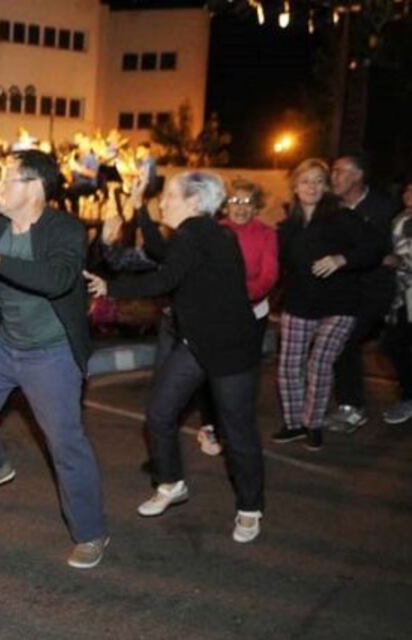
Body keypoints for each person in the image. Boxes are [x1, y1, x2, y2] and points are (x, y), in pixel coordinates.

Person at [85, 171, 266, 543]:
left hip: (230, 348)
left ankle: (250, 507)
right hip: (196, 342)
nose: (163, 201)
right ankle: (171, 483)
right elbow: (160, 253)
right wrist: (140, 209)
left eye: (169, 195)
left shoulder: (198, 234)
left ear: (194, 202)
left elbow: (163, 279)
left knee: (237, 430)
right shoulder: (202, 233)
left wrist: (110, 287)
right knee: (160, 413)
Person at [0, 150, 109, 568]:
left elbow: (57, 279)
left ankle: (91, 533)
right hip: (6, 347)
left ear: (35, 187)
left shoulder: (65, 229)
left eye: (6, 178)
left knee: (66, 444)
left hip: (52, 354)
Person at [272, 159, 382, 451]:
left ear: (326, 187)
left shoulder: (342, 217)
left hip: (340, 305)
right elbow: (278, 266)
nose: (312, 187)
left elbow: (375, 247)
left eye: (318, 181)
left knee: (320, 363)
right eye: (306, 181)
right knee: (288, 366)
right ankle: (294, 423)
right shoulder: (288, 226)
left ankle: (313, 424)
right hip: (299, 303)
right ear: (295, 187)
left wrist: (342, 259)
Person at [197, 178, 279, 456]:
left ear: (256, 207)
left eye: (247, 202)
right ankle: (210, 425)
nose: (241, 208)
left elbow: (268, 275)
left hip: (252, 312)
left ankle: (237, 425)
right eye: (235, 201)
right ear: (224, 205)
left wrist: (241, 297)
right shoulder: (214, 231)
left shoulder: (266, 234)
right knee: (211, 369)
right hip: (217, 312)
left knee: (243, 373)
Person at [327, 154, 399, 431]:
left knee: (346, 339)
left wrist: (387, 257)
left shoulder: (384, 208)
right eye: (333, 171)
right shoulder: (331, 208)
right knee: (339, 342)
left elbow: (394, 250)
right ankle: (347, 402)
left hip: (374, 290)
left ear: (358, 176)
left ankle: (352, 407)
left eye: (340, 171)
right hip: (341, 289)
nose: (334, 177)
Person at [380, 178, 412, 424]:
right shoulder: (401, 218)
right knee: (393, 345)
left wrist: (401, 261)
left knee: (398, 344)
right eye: (408, 189)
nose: (409, 194)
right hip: (400, 295)